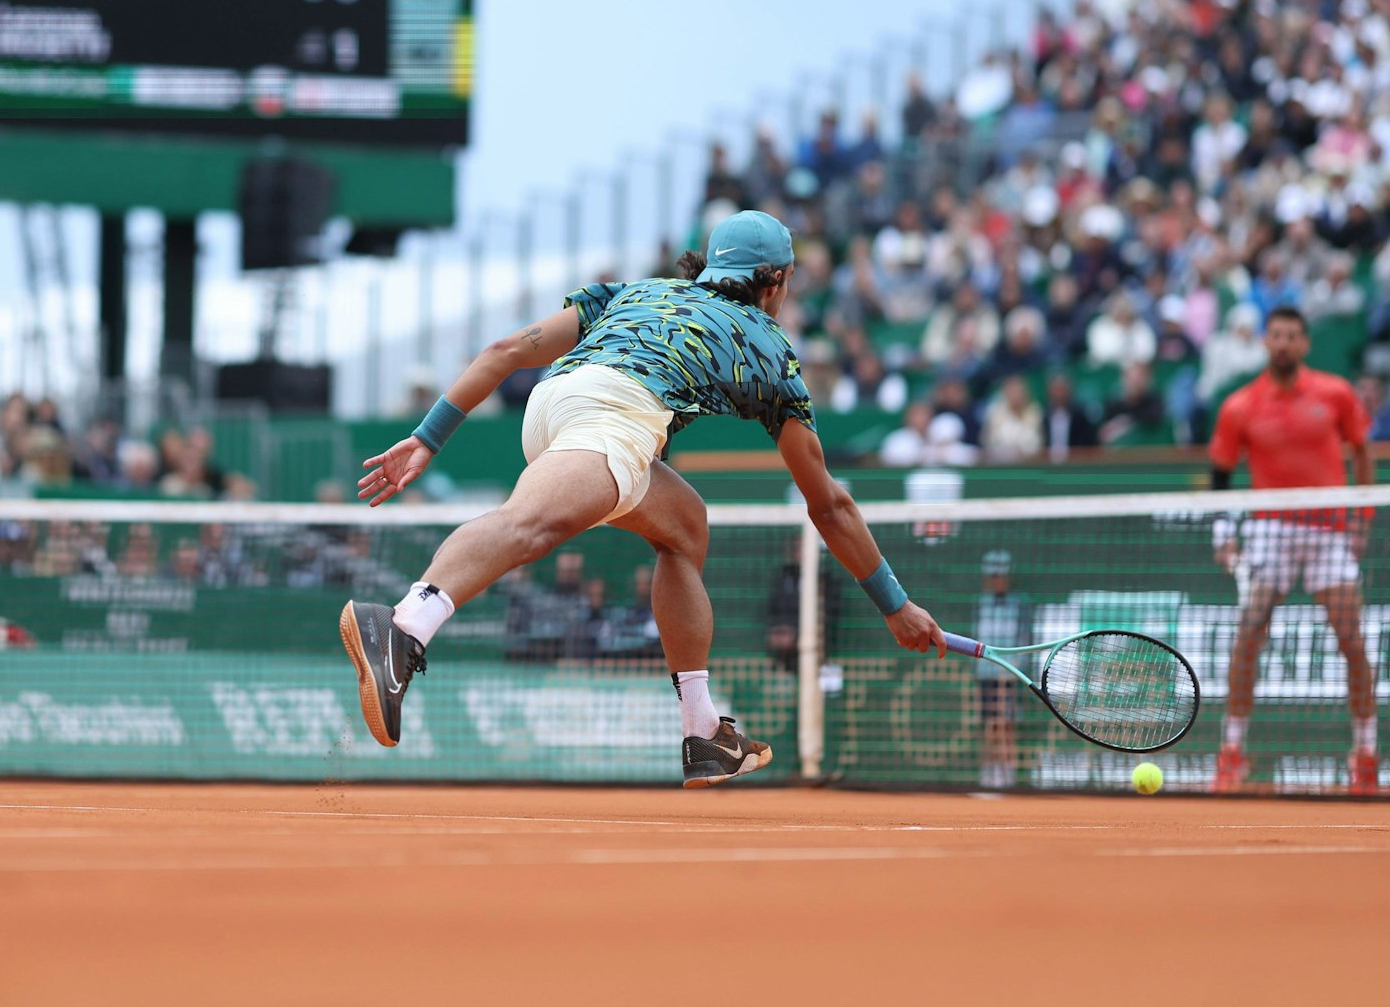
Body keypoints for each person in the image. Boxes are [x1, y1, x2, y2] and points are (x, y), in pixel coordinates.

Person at [345, 210, 946, 787]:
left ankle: (704, 731)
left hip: (553, 403)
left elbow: (504, 353)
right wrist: (894, 604)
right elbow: (829, 506)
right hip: (615, 417)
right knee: (530, 527)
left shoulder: (639, 290)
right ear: (776, 281)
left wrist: (429, 436)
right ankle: (402, 626)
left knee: (684, 526)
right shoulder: (768, 346)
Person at [1207, 307, 1378, 795]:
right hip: (1271, 530)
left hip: (1329, 529)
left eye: (1292, 336)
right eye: (1276, 335)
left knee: (1352, 640)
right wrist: (1224, 535)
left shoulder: (1336, 393)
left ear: (1304, 344)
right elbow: (1220, 473)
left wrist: (1362, 519)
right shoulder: (1240, 405)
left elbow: (1362, 451)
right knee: (1248, 633)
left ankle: (1365, 753)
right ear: (1266, 342)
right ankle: (1232, 751)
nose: (1283, 344)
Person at [972, 550, 1032, 790]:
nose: (997, 579)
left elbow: (1025, 637)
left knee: (1007, 721)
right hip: (986, 674)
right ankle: (988, 772)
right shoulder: (981, 604)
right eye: (993, 575)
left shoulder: (1019, 604)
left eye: (1001, 575)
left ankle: (1008, 772)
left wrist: (1014, 667)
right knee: (989, 722)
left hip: (1010, 673)